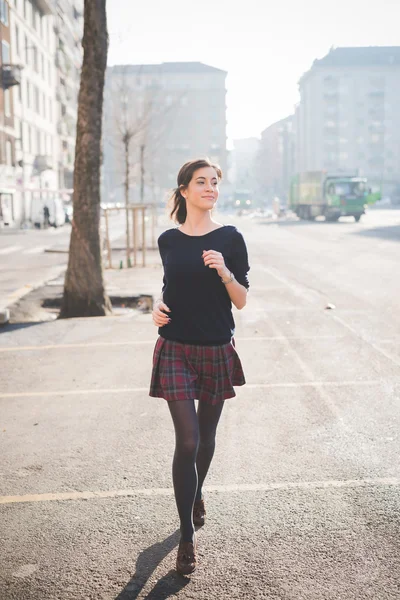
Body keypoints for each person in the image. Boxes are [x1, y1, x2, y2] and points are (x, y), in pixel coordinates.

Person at [149, 158, 250, 576]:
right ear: (185, 189)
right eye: (201, 182)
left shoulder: (230, 237)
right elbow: (170, 285)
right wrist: (156, 307)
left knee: (206, 438)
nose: (210, 188)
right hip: (175, 348)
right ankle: (186, 537)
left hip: (214, 347)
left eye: (214, 182)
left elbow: (241, 299)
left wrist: (225, 270)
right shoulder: (168, 239)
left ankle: (197, 491)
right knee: (187, 442)